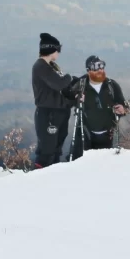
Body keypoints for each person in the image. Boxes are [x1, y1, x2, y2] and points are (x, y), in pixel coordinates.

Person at [64, 55, 127, 160]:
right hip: (85, 134)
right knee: (78, 163)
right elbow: (66, 101)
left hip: (107, 136)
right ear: (88, 70)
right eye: (96, 67)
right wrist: (76, 98)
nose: (100, 70)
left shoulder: (111, 86)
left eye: (102, 66)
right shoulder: (81, 85)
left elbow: (123, 104)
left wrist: (122, 110)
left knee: (102, 164)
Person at [31, 33, 74, 168]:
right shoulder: (41, 66)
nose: (58, 54)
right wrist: (69, 77)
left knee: (56, 149)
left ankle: (52, 178)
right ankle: (38, 179)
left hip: (57, 112)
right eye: (58, 50)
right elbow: (59, 84)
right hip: (48, 114)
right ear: (52, 50)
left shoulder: (50, 66)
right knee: (47, 150)